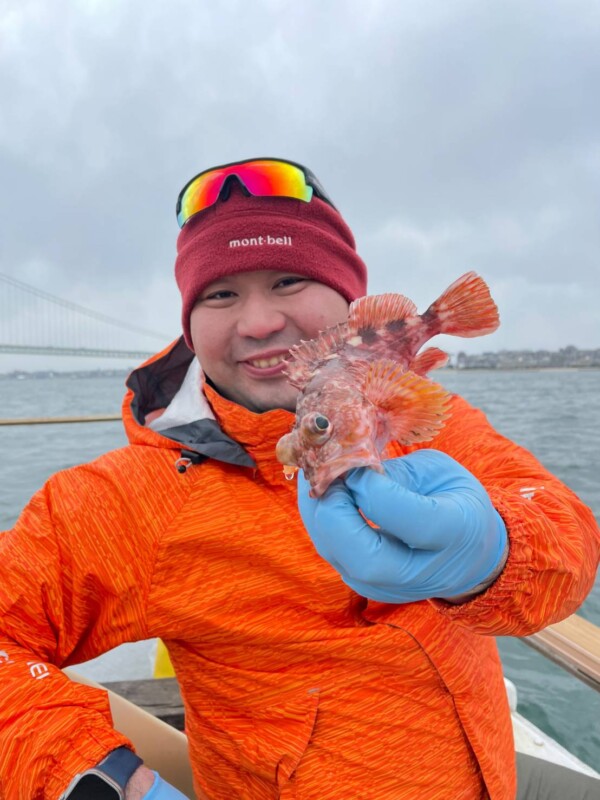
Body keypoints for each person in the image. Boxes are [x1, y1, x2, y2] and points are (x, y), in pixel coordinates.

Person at [0, 157, 598, 800]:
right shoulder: (129, 502)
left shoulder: (427, 422)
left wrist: (494, 555)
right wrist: (91, 778)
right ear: (188, 323)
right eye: (220, 294)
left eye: (288, 281)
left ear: (351, 304)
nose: (257, 323)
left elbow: (567, 540)